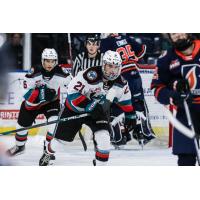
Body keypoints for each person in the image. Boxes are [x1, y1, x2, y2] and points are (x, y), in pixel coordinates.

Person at [39, 50, 137, 166]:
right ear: (103, 65)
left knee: (104, 140)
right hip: (74, 110)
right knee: (59, 143)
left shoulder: (121, 83)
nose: (112, 70)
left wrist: (130, 115)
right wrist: (90, 106)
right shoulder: (89, 75)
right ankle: (47, 152)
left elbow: (125, 100)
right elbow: (72, 95)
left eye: (116, 67)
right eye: (110, 66)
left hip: (98, 112)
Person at [7, 48, 72, 157]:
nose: (49, 64)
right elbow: (25, 91)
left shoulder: (62, 73)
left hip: (51, 103)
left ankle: (47, 150)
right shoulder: (34, 71)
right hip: (32, 105)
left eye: (52, 61)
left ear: (56, 62)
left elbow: (73, 87)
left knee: (54, 123)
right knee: (21, 127)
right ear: (42, 61)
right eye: (47, 61)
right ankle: (20, 146)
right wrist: (40, 93)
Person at [151, 33, 200, 166]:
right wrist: (173, 96)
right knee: (185, 158)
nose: (177, 35)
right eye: (173, 33)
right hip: (186, 113)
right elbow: (157, 89)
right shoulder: (166, 59)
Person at [100, 34, 155, 148]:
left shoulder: (106, 41)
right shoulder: (127, 38)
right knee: (138, 102)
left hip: (119, 75)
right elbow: (142, 50)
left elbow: (102, 60)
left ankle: (119, 136)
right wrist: (132, 58)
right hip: (134, 74)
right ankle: (143, 133)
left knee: (117, 104)